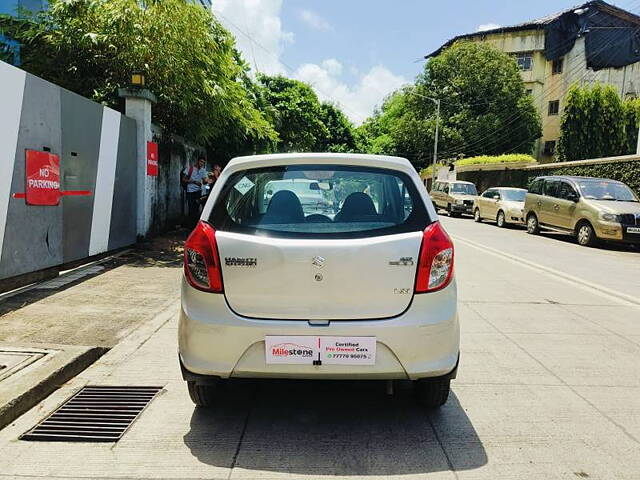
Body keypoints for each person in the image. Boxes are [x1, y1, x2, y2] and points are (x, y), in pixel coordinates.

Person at [181, 157, 207, 228]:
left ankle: (194, 226)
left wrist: (206, 181)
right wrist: (194, 181)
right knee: (191, 208)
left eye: (203, 163)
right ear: (197, 161)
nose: (202, 164)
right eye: (201, 162)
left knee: (196, 209)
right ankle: (190, 226)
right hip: (190, 191)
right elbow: (184, 179)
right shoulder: (190, 169)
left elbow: (204, 181)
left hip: (198, 191)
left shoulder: (203, 170)